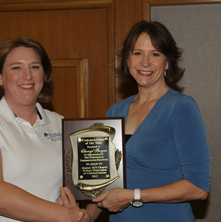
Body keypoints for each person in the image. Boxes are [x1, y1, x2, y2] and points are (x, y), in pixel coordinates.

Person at [0, 37, 91, 222]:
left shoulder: (61, 123)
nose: (28, 76)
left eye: (35, 67)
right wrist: (64, 215)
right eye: (16, 67)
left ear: (44, 74)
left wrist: (84, 214)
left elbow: (87, 183)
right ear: (0, 77)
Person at [88, 21, 211, 221]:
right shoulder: (114, 111)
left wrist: (133, 195)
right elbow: (106, 182)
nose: (145, 62)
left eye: (155, 54)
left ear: (168, 62)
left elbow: (198, 188)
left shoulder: (181, 107)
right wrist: (86, 214)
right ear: (127, 60)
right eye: (137, 53)